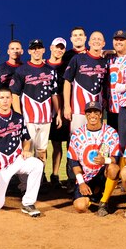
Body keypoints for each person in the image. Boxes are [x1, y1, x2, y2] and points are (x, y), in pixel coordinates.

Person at [0, 87, 44, 217]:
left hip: (16, 160)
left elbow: (26, 139)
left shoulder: (18, 117)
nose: (5, 101)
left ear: (12, 99)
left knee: (37, 164)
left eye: (8, 97)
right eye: (2, 98)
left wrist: (25, 149)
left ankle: (28, 203)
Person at [11, 39, 61, 164]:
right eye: (33, 48)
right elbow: (15, 94)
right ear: (29, 51)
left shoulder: (50, 70)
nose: (36, 51)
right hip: (29, 118)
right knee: (27, 150)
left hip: (46, 118)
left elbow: (54, 94)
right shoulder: (21, 70)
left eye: (39, 48)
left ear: (44, 50)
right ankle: (27, 182)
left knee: (42, 151)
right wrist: (19, 116)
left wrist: (59, 113)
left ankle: (40, 180)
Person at [68, 101, 121, 215]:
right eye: (89, 112)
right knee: (80, 207)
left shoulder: (110, 132)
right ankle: (94, 195)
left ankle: (104, 201)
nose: (92, 115)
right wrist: (81, 183)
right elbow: (73, 162)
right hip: (86, 177)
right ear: (85, 115)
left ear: (101, 114)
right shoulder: (77, 134)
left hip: (103, 173)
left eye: (96, 112)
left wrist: (104, 160)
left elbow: (115, 158)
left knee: (114, 168)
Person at [63, 31, 108, 133]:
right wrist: (67, 106)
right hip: (78, 109)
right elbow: (67, 82)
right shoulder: (78, 58)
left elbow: (105, 85)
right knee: (77, 139)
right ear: (89, 43)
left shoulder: (105, 62)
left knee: (95, 140)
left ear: (103, 43)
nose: (96, 41)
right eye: (94, 39)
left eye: (99, 39)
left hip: (97, 109)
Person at [47, 37, 69, 187]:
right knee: (41, 146)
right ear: (51, 47)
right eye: (57, 47)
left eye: (62, 48)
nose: (59, 50)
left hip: (59, 111)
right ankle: (41, 176)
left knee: (57, 144)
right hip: (42, 111)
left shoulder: (67, 67)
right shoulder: (43, 65)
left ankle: (55, 175)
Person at [107, 30, 126, 132]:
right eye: (116, 40)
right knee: (113, 140)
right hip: (111, 108)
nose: (119, 42)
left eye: (122, 40)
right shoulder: (108, 59)